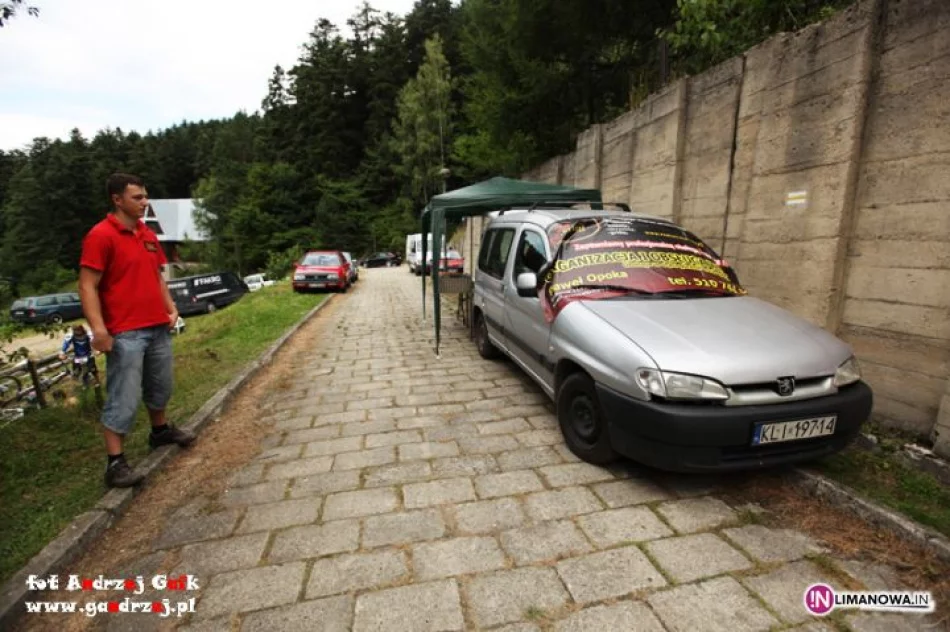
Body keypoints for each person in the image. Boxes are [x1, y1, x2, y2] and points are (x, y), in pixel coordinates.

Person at [79, 173, 195, 488]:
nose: (144, 203)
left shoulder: (146, 234)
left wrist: (170, 307)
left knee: (161, 385)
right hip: (125, 331)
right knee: (124, 395)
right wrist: (99, 330)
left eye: (145, 196)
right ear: (117, 199)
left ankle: (160, 432)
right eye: (137, 198)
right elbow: (87, 285)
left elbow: (157, 276)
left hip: (157, 325)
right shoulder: (101, 235)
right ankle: (115, 463)